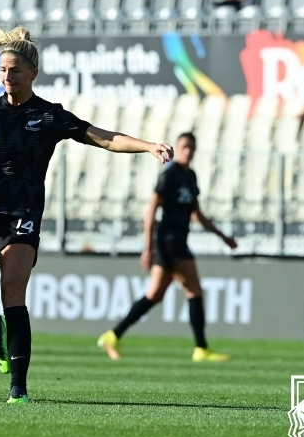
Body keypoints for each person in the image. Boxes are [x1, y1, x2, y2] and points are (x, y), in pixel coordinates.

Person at [0, 27, 174, 404]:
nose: (8, 77)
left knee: (13, 292)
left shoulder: (48, 116)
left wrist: (148, 145)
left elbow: (104, 137)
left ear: (33, 73)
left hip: (20, 213)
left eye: (16, 71)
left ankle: (18, 388)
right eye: (4, 70)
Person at [98, 132, 238, 363]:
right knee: (194, 290)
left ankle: (113, 335)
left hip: (177, 241)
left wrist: (222, 236)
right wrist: (148, 246)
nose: (188, 151)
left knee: (154, 295)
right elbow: (152, 209)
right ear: (177, 148)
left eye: (192, 147)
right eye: (184, 146)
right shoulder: (170, 175)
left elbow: (197, 215)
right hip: (169, 241)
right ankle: (201, 348)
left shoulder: (191, 177)